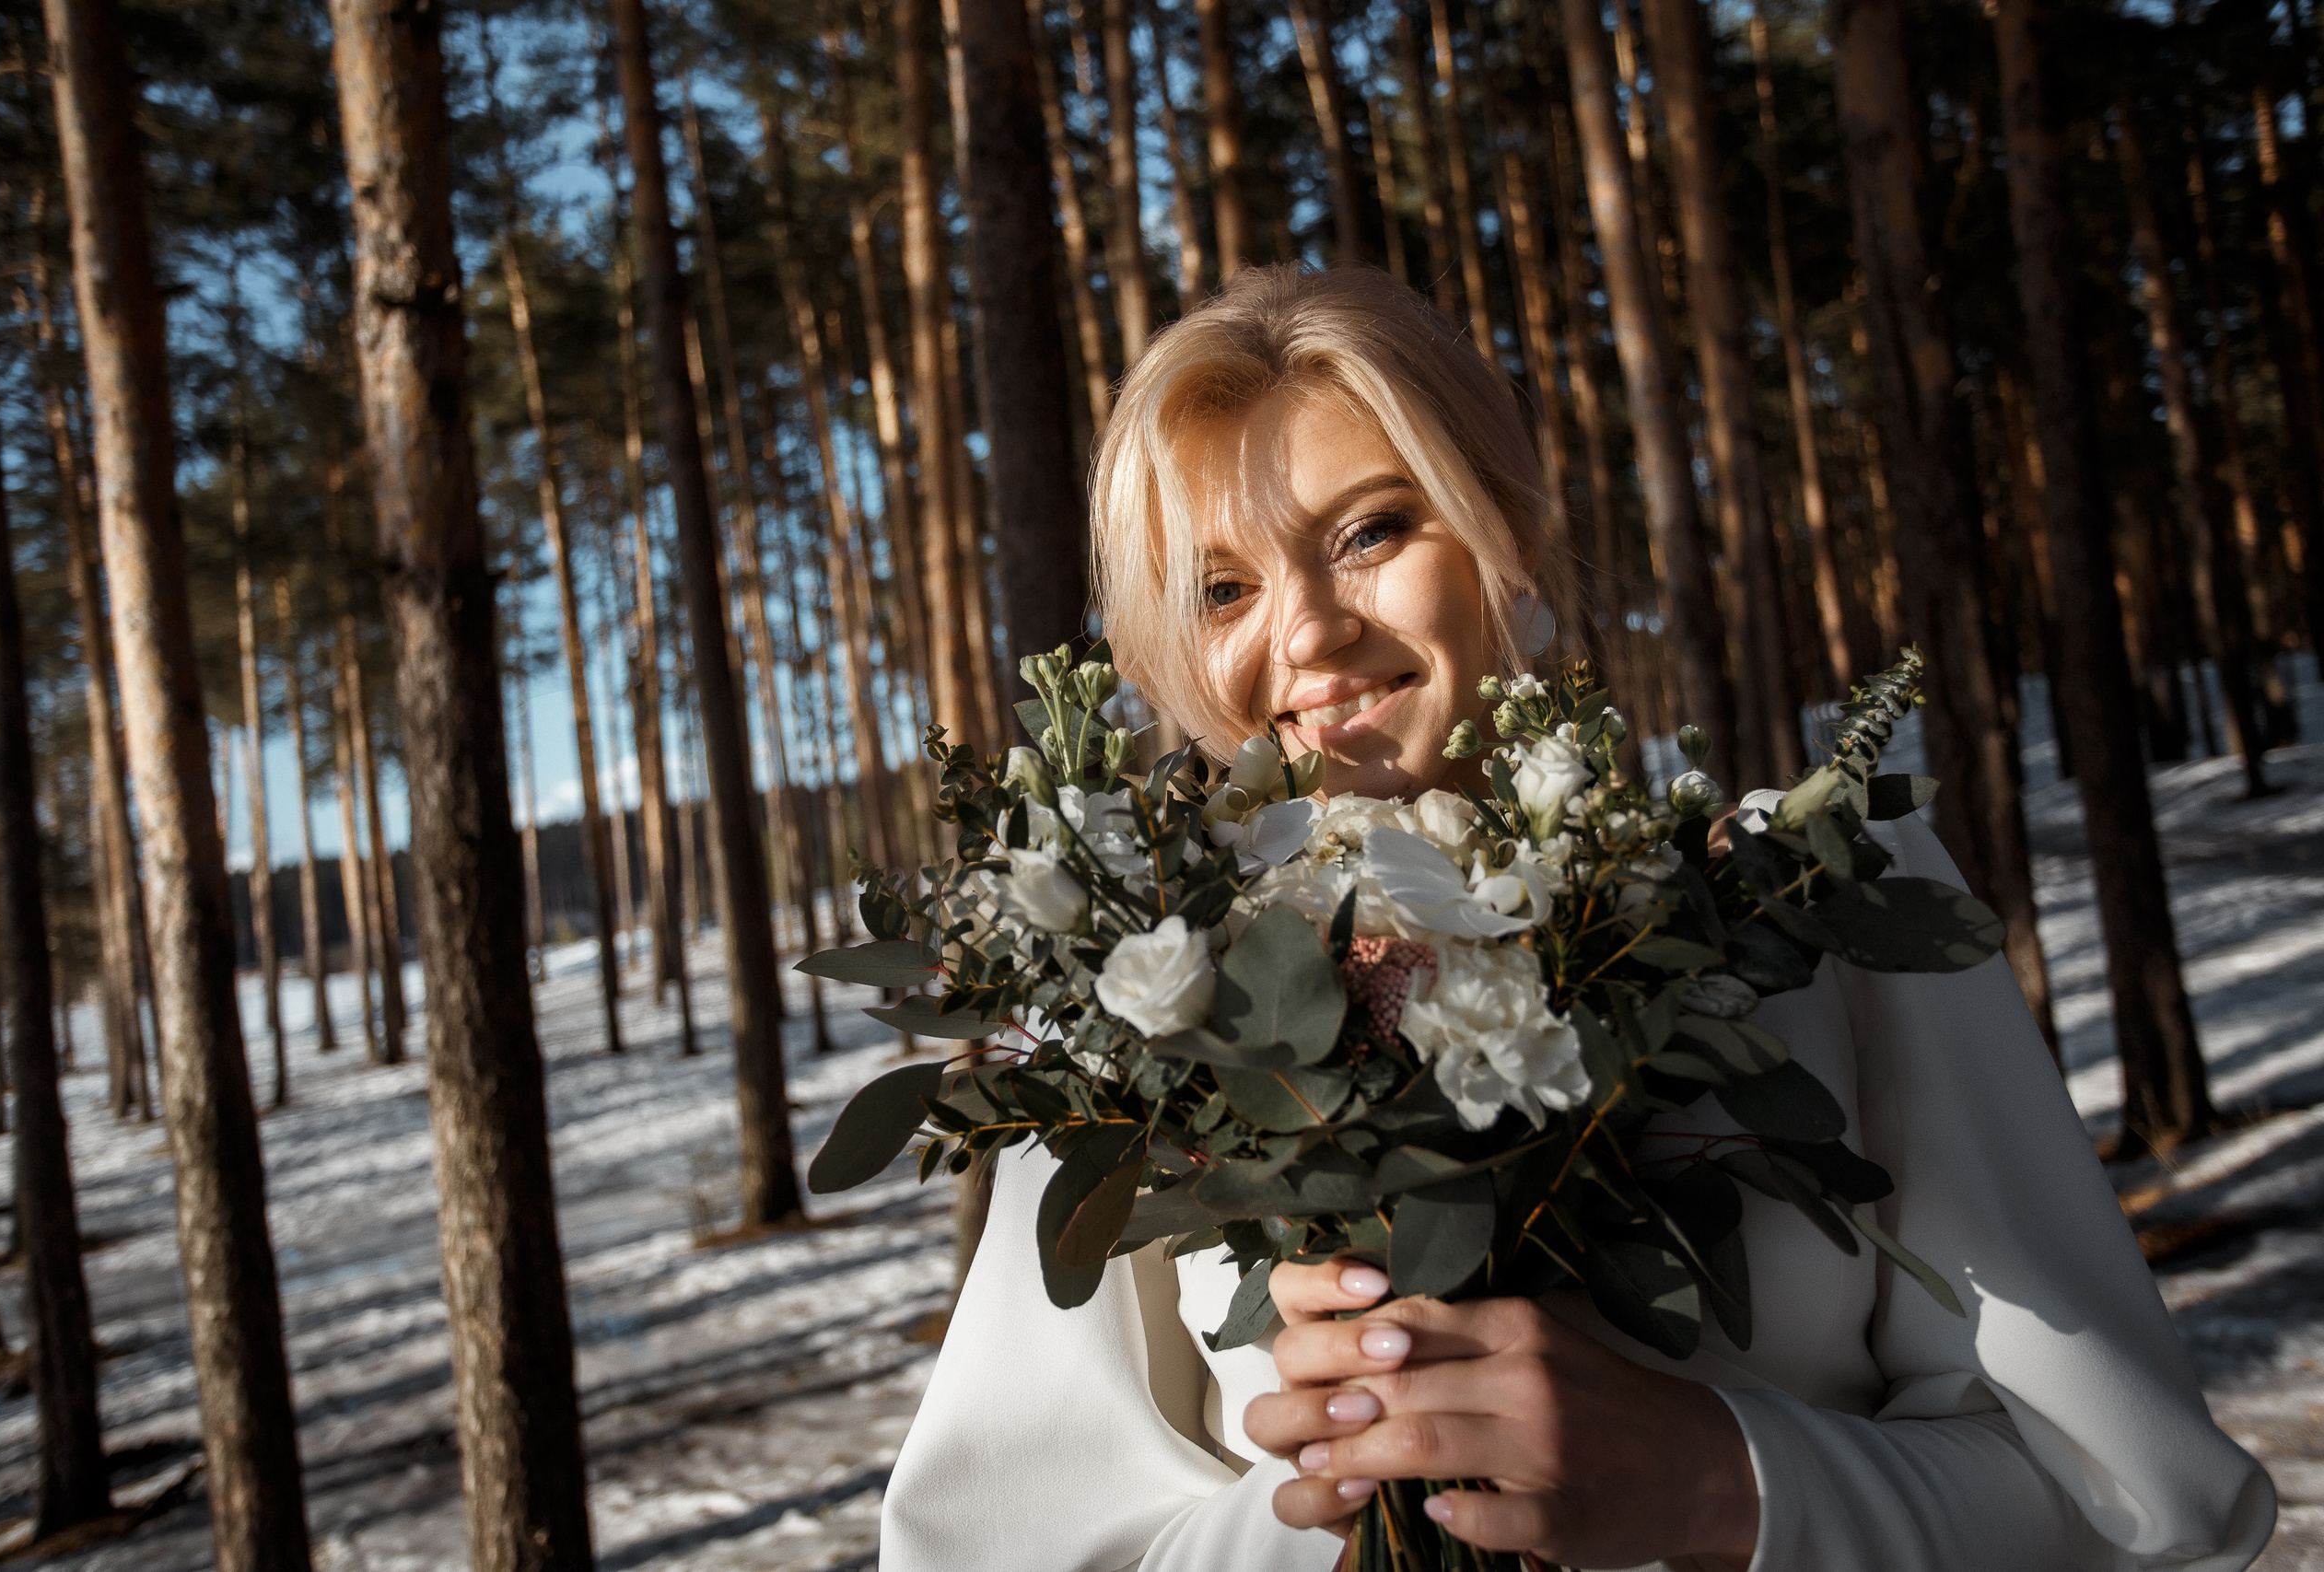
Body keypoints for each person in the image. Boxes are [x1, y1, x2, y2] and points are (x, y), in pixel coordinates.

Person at [877, 265, 2274, 1571]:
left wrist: (1726, 1478)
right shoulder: (1141, 1012)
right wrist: (1335, 1500)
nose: (1303, 630)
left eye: (1369, 531)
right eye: (1224, 588)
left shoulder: (1805, 900)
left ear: (1514, 530)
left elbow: (2144, 1506)